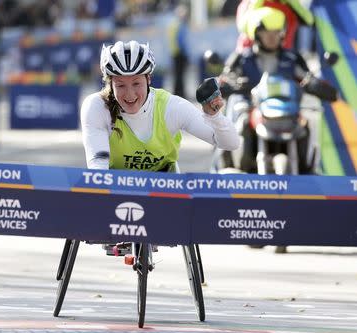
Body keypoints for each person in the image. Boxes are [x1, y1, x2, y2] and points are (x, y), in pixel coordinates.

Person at [80, 40, 240, 255]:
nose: (129, 95)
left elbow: (231, 143)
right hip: (115, 192)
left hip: (164, 191)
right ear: (110, 84)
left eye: (136, 83)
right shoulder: (96, 106)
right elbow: (98, 169)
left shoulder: (171, 107)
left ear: (149, 79)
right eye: (120, 85)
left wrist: (214, 116)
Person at [220, 6, 337, 175]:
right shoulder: (242, 58)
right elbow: (226, 78)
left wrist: (315, 84)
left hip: (287, 109)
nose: (272, 37)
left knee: (306, 123)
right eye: (267, 33)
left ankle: (307, 170)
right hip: (252, 108)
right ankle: (236, 165)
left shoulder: (292, 58)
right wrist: (228, 84)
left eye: (277, 32)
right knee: (241, 121)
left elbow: (306, 76)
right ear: (256, 33)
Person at [235, 0, 314, 52]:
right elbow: (241, 27)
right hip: (252, 55)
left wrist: (293, 3)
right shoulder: (248, 3)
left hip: (282, 58)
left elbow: (309, 21)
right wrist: (256, 4)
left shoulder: (289, 5)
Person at [168, 4, 190, 98]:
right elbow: (181, 41)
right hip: (179, 54)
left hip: (175, 53)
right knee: (180, 76)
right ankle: (180, 93)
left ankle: (178, 93)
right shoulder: (180, 25)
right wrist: (185, 53)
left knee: (178, 76)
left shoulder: (174, 24)